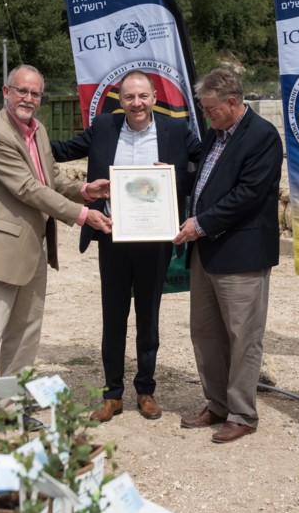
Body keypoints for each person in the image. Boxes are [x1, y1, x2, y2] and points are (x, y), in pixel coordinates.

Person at [0, 65, 112, 430]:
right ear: (6, 91)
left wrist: (83, 190)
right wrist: (82, 214)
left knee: (25, 336)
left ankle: (11, 409)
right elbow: (29, 189)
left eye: (35, 93)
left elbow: (49, 177)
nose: (28, 98)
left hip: (32, 249)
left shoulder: (38, 130)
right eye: (22, 91)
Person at [51, 70, 201, 423]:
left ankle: (145, 390)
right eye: (130, 97)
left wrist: (175, 176)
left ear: (153, 98)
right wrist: (26, 137)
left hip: (154, 240)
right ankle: (112, 394)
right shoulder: (104, 126)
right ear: (120, 99)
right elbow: (62, 150)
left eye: (143, 96)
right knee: (113, 315)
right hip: (113, 234)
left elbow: (207, 163)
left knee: (149, 316)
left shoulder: (175, 131)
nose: (137, 103)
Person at [173, 69, 283, 444]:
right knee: (205, 333)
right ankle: (217, 403)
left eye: (210, 109)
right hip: (207, 251)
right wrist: (166, 178)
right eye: (204, 110)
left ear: (233, 103)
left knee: (242, 337)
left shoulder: (263, 137)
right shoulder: (215, 134)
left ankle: (242, 413)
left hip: (241, 253)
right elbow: (206, 182)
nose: (206, 116)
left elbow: (247, 195)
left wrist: (200, 224)